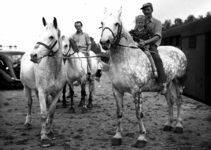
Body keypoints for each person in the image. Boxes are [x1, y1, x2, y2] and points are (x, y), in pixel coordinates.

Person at [139, 3, 167, 94]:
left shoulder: (157, 22)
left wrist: (146, 42)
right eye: (144, 10)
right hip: (141, 43)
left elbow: (157, 36)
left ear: (152, 10)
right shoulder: (141, 21)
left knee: (156, 57)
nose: (146, 11)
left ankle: (163, 83)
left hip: (152, 44)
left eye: (148, 9)